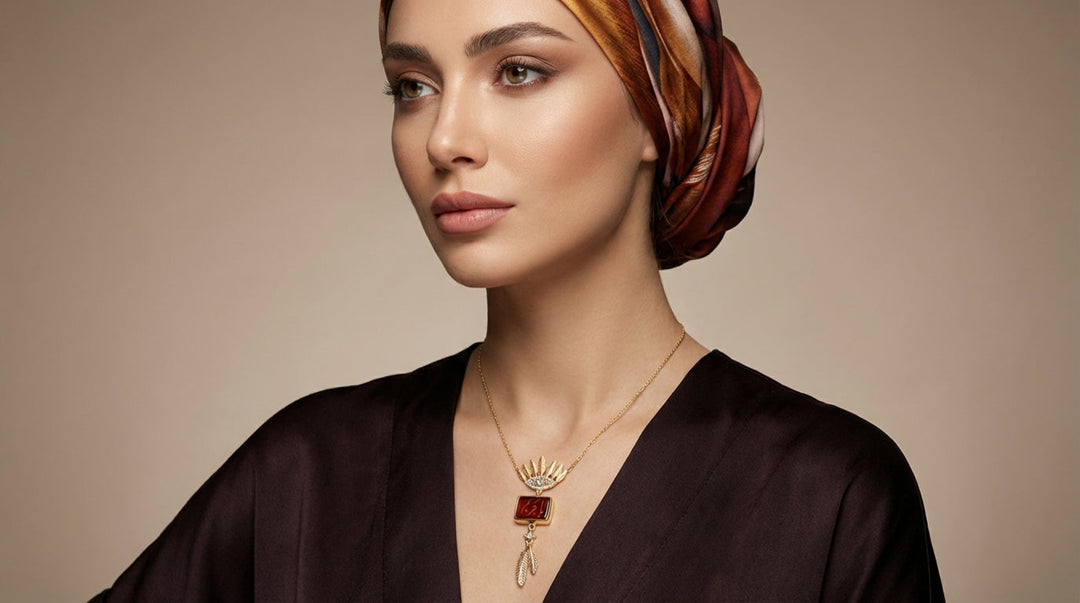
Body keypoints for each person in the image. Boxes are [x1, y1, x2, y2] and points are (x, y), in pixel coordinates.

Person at [92, 0, 944, 600]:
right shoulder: (306, 473)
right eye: (411, 86)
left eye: (519, 70)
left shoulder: (827, 494)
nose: (445, 139)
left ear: (656, 109)